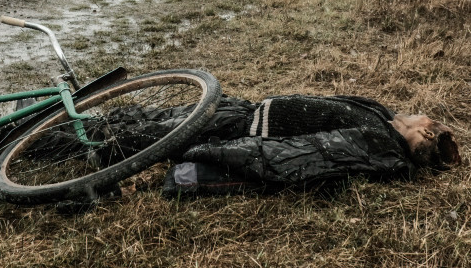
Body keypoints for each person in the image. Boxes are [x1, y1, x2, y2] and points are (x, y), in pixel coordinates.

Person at [159, 94, 462, 197]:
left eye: (428, 119)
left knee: (155, 134)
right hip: (245, 110)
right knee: (155, 118)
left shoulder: (381, 143)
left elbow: (297, 154)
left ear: (427, 134)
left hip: (240, 126)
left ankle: (114, 158)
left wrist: (203, 152)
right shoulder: (384, 118)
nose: (422, 114)